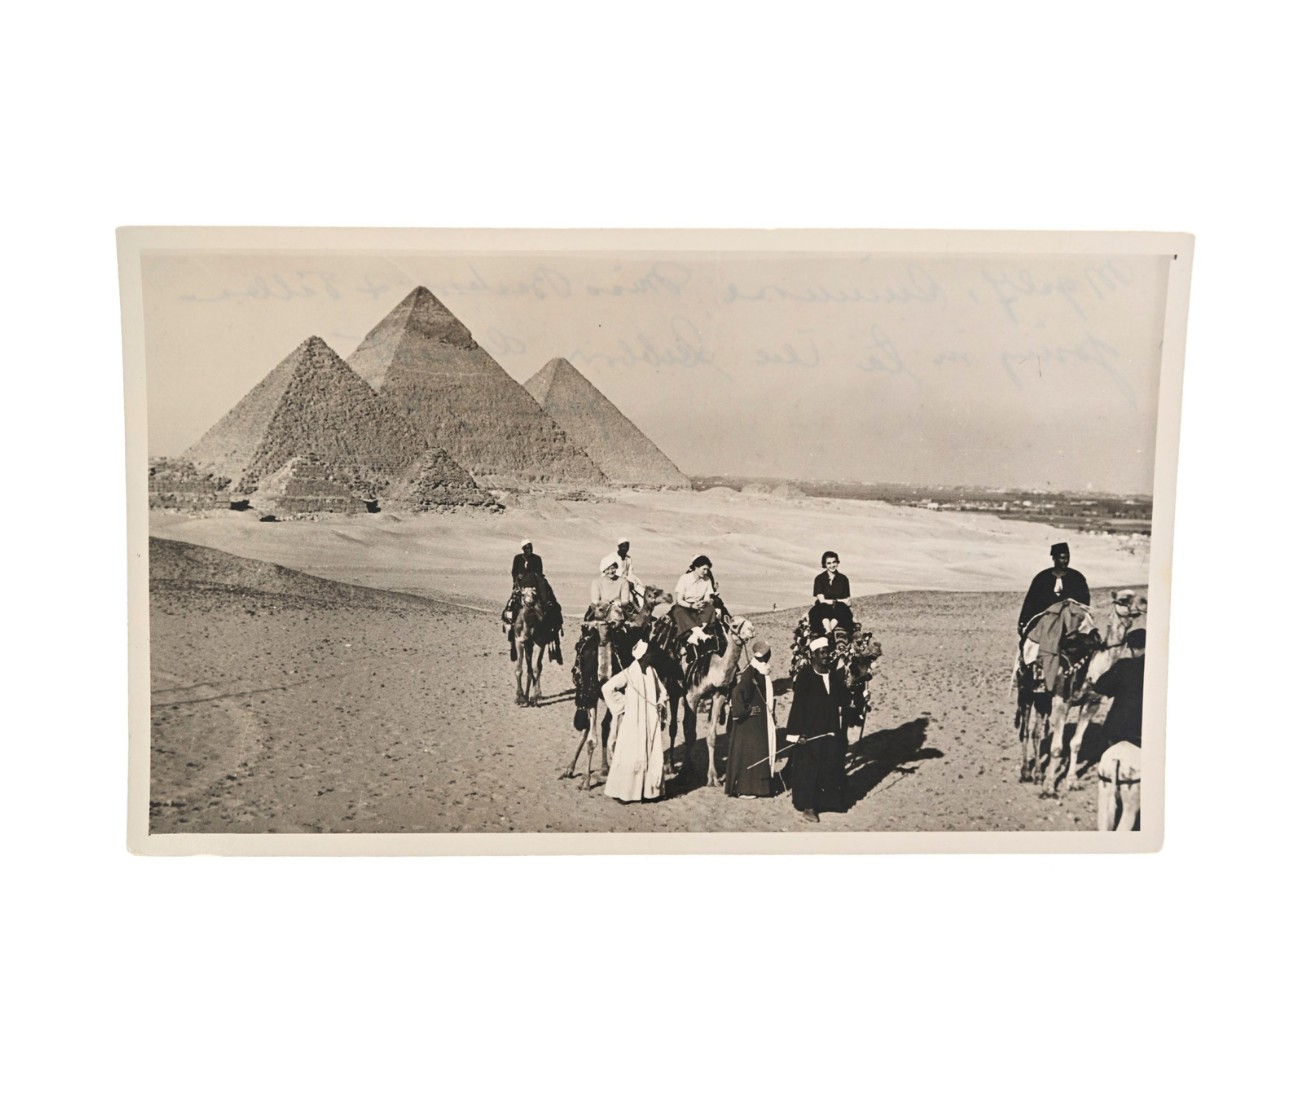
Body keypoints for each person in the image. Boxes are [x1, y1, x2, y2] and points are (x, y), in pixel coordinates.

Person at [784, 636, 849, 822]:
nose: (827, 656)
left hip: (830, 731)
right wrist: (797, 735)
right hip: (810, 734)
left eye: (828, 652)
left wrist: (858, 697)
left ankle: (828, 803)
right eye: (822, 652)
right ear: (813, 655)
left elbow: (842, 699)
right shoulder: (805, 676)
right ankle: (808, 807)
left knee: (829, 766)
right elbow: (798, 707)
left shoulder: (832, 675)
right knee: (809, 770)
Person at [601, 639, 668, 802]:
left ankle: (649, 792)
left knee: (650, 752)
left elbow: (662, 692)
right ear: (643, 655)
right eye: (649, 653)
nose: (651, 655)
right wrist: (624, 704)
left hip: (650, 719)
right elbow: (607, 688)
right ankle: (625, 793)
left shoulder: (652, 671)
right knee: (630, 754)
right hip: (633, 721)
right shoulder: (629, 673)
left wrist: (660, 703)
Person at [724, 639, 777, 798]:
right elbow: (736, 694)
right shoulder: (750, 673)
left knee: (758, 753)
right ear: (765, 655)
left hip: (760, 720)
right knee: (749, 754)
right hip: (750, 723)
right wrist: (746, 711)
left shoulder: (761, 670)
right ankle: (745, 789)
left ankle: (758, 787)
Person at [1018, 541, 1090, 635]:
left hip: (1071, 621)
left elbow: (1084, 601)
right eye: (1062, 558)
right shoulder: (1042, 578)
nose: (1065, 561)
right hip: (1044, 619)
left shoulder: (1077, 578)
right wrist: (1023, 621)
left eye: (1067, 558)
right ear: (1054, 558)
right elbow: (1030, 601)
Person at [671, 554, 721, 643]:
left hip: (699, 605)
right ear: (696, 567)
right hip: (685, 605)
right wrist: (691, 606)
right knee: (678, 611)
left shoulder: (707, 580)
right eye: (704, 569)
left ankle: (694, 636)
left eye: (707, 570)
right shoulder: (684, 578)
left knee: (710, 609)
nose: (706, 572)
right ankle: (701, 634)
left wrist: (703, 603)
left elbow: (707, 598)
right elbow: (679, 600)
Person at [809, 549, 853, 636]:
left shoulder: (843, 579)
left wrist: (838, 602)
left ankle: (829, 632)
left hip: (839, 608)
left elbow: (847, 601)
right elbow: (822, 600)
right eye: (829, 563)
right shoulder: (819, 579)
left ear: (837, 562)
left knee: (842, 609)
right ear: (824, 564)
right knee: (823, 608)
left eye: (834, 562)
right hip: (823, 608)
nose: (832, 565)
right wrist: (838, 601)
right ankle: (828, 631)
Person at [589, 553, 631, 622]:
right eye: (607, 569)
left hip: (618, 611)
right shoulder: (596, 582)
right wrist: (604, 605)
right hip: (601, 610)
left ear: (616, 568)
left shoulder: (623, 582)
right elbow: (595, 601)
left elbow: (625, 601)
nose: (611, 571)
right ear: (604, 570)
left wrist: (619, 603)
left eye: (613, 568)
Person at [614, 538, 645, 606]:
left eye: (627, 547)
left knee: (643, 593)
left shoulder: (629, 558)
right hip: (616, 583)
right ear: (619, 546)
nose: (625, 549)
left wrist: (634, 582)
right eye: (623, 547)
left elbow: (630, 572)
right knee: (629, 598)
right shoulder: (613, 558)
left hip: (628, 580)